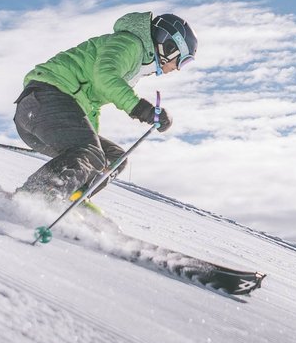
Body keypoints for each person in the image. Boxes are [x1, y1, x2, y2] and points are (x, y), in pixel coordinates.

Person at [13, 11, 197, 203]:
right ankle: (34, 197)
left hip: (41, 112)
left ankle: (73, 198)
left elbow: (91, 104)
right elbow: (105, 78)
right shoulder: (129, 43)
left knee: (114, 158)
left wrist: (92, 142)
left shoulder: (135, 62)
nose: (177, 68)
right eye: (183, 60)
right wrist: (143, 110)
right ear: (169, 47)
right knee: (90, 152)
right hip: (44, 100)